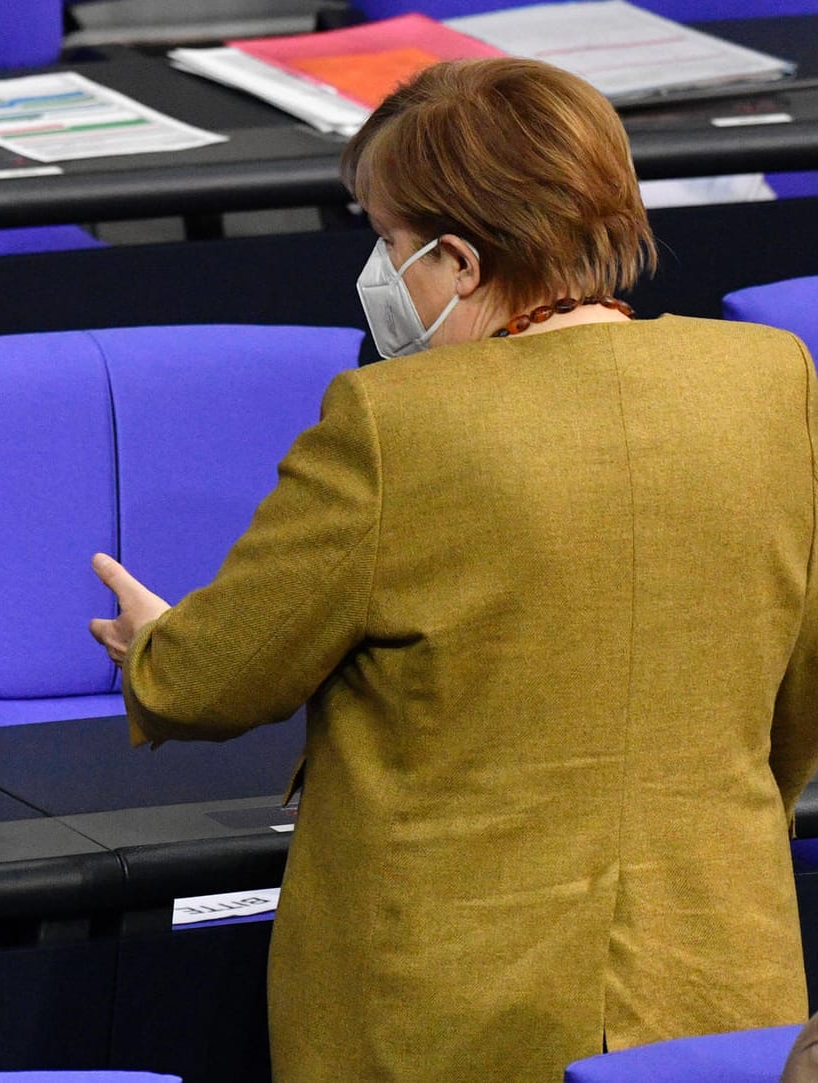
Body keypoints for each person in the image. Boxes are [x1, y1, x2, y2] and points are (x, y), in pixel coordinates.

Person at [90, 58, 818, 1083]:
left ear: (460, 262)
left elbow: (212, 682)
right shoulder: (770, 378)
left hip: (450, 1005)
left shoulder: (396, 424)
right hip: (712, 975)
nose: (380, 271)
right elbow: (800, 697)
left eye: (388, 242)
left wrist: (151, 649)